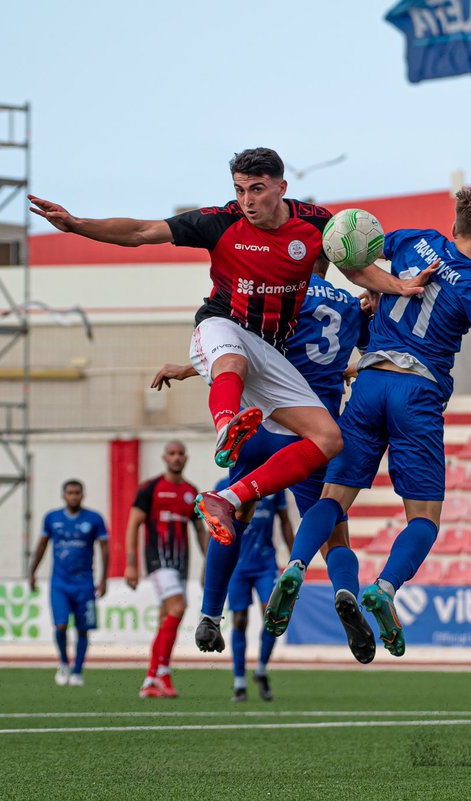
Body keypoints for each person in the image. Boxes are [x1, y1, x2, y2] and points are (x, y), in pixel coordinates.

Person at [29, 147, 431, 551]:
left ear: (281, 187)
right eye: (240, 190)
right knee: (233, 360)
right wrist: (77, 224)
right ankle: (226, 429)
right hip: (221, 325)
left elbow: (357, 267)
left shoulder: (315, 226)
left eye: (256, 189)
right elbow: (140, 232)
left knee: (329, 439)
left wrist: (401, 286)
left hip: (271, 349)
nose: (247, 201)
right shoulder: (219, 222)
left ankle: (226, 498)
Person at [263, 186, 471, 660]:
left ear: (456, 224)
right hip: (416, 393)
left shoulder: (413, 240)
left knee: (333, 499)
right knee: (424, 519)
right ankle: (384, 587)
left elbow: (350, 257)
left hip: (369, 383)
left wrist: (376, 291)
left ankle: (296, 565)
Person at [152, 258, 378, 663]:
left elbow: (242, 348)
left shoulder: (280, 296)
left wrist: (187, 370)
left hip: (263, 426)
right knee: (335, 533)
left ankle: (209, 614)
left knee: (234, 517)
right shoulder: (346, 304)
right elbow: (370, 350)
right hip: (313, 434)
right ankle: (345, 593)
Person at [125, 441, 206, 699]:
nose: (177, 457)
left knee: (165, 618)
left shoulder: (191, 492)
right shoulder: (150, 488)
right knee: (178, 608)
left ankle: (150, 679)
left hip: (181, 565)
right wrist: (130, 563)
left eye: (181, 453)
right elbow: (133, 524)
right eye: (172, 453)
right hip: (158, 562)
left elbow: (200, 531)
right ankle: (163, 673)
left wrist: (210, 564)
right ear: (164, 457)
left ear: (186, 458)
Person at [215, 481, 293, 702]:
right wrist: (211, 566)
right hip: (237, 564)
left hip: (265, 564)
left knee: (272, 615)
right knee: (239, 621)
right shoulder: (224, 485)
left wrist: (297, 558)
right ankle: (239, 681)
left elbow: (285, 521)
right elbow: (216, 527)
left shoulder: (274, 483)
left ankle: (261, 669)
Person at [28, 479, 110, 687]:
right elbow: (42, 545)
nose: (74, 496)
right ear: (63, 495)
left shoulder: (94, 519)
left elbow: (104, 549)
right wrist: (32, 571)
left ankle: (77, 671)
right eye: (70, 493)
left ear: (83, 495)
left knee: (83, 629)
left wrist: (104, 578)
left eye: (77, 493)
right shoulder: (52, 518)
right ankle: (64, 662)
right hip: (60, 583)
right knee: (61, 625)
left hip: (84, 583)